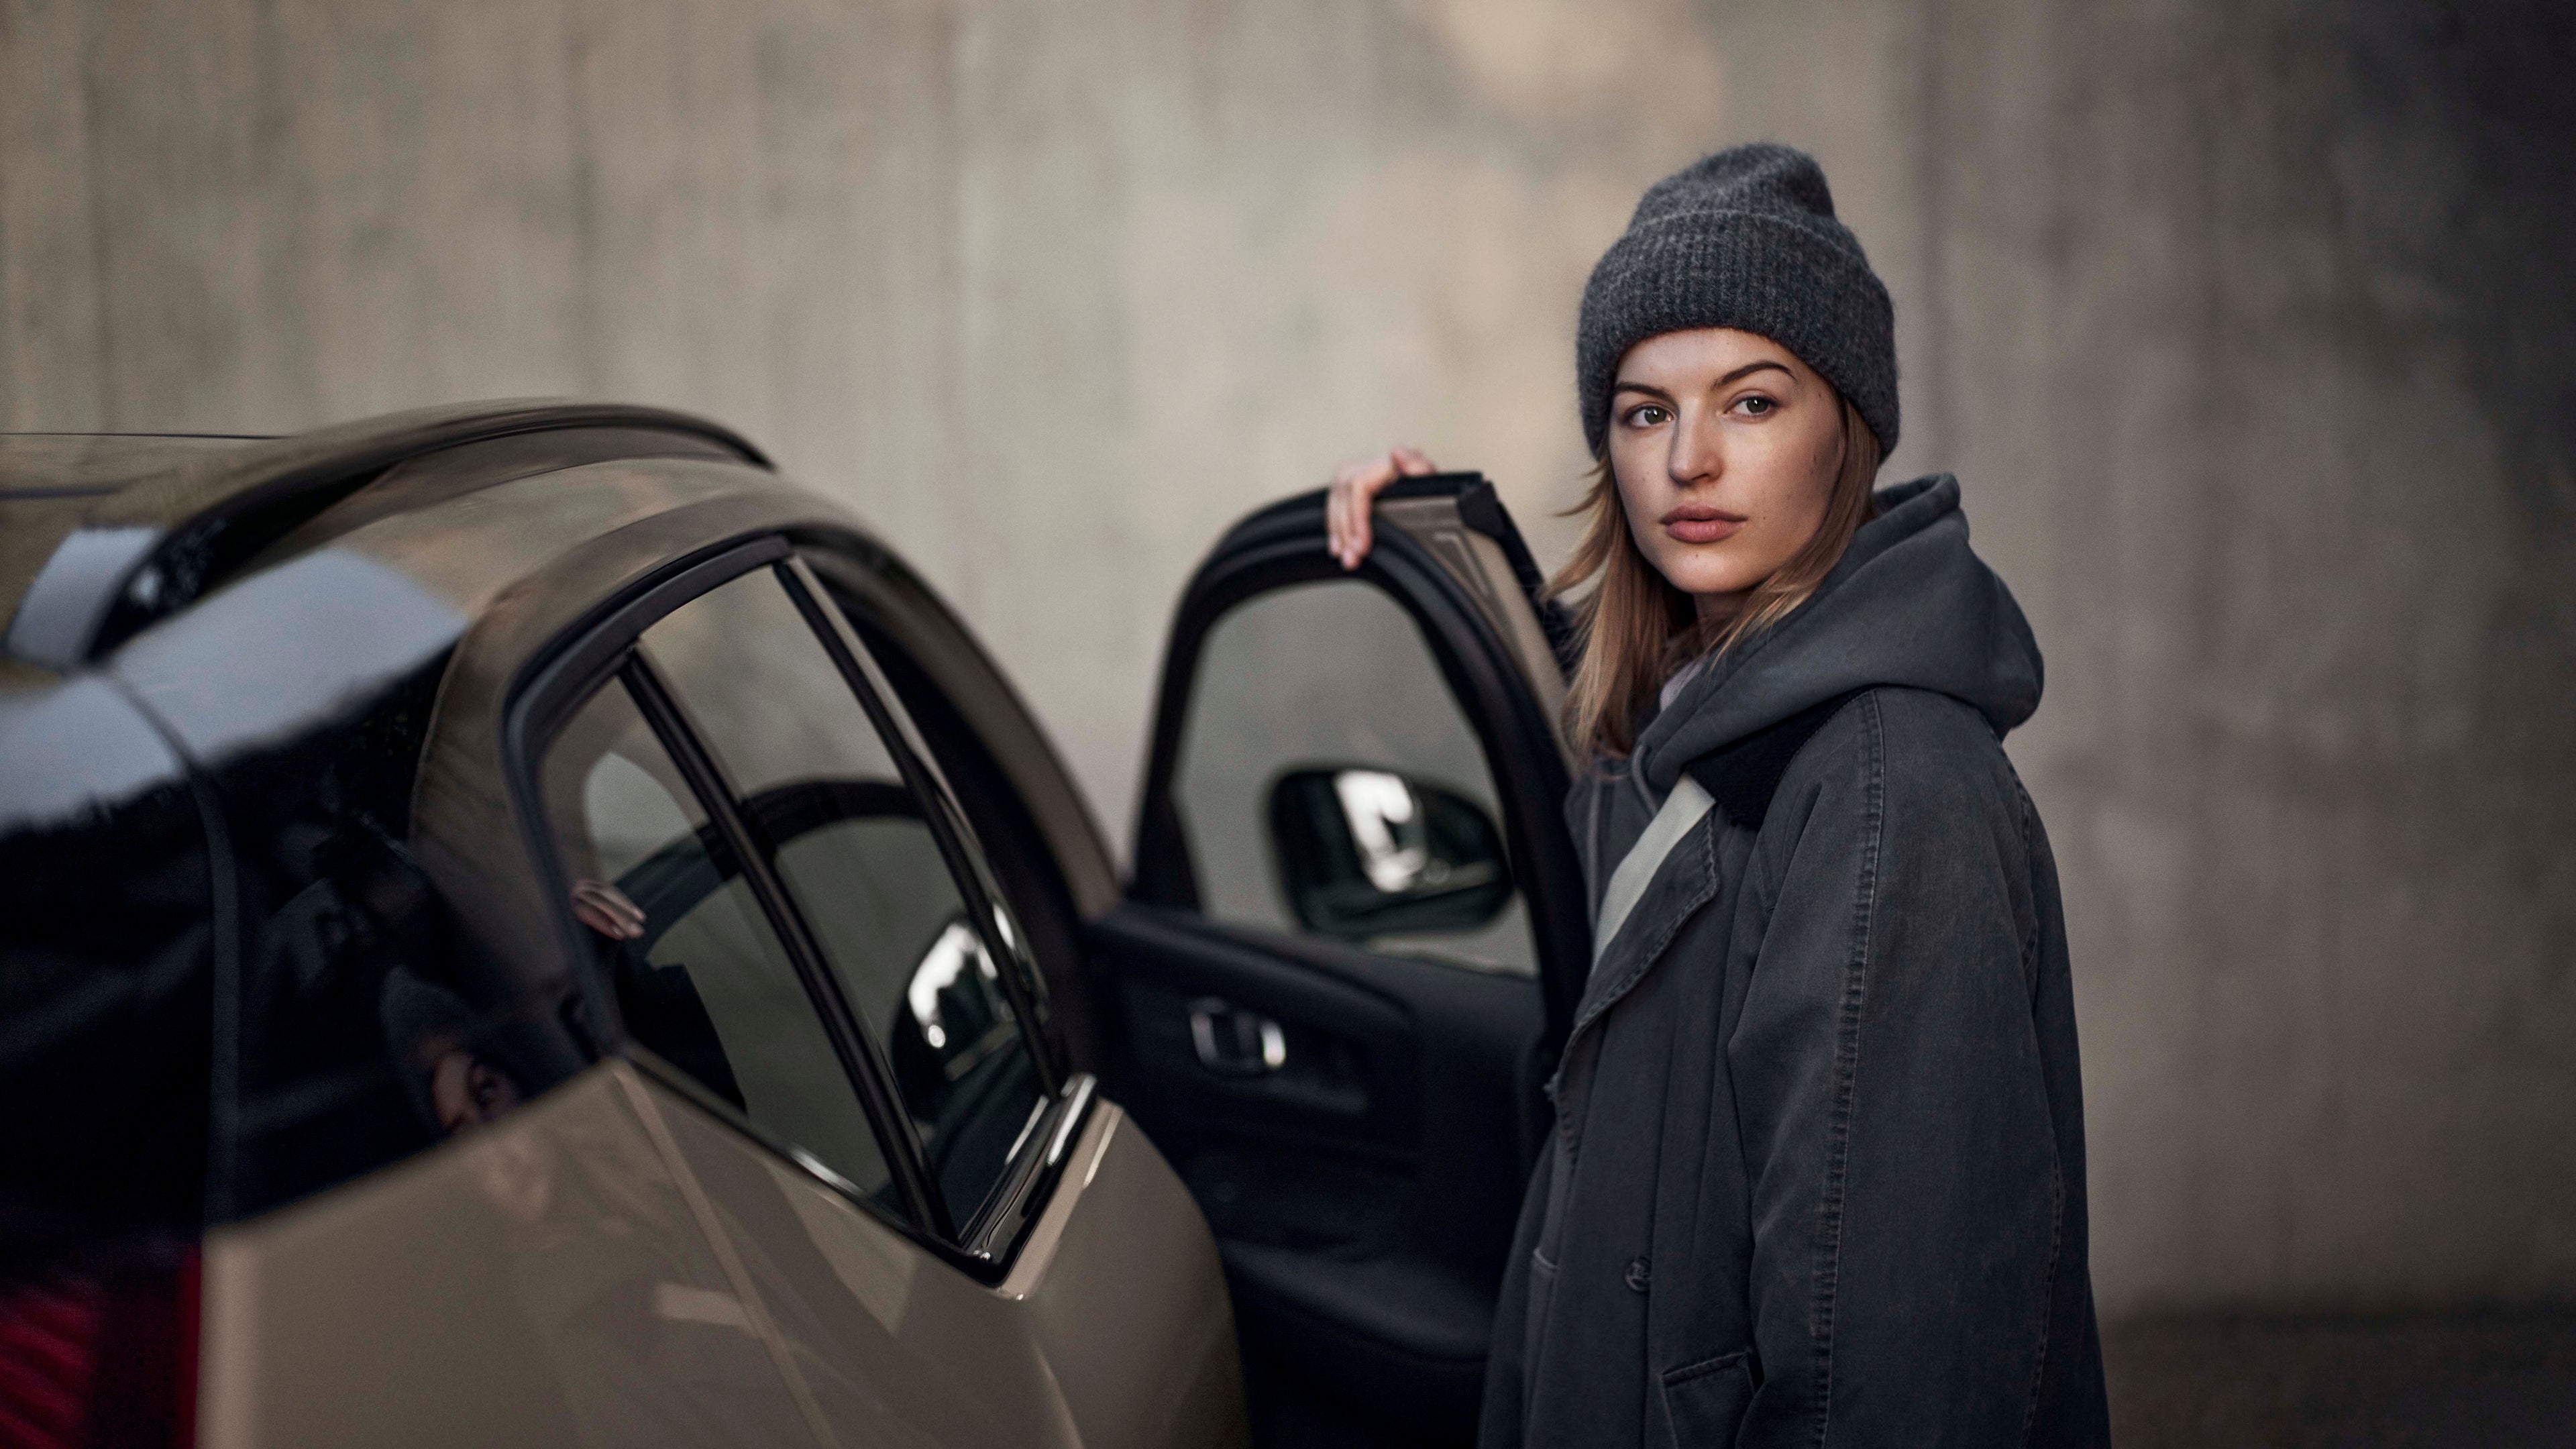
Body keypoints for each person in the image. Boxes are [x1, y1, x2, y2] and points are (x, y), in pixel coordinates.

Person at [1327, 144, 2110, 1446]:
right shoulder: (1694, 699)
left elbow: (1901, 1382)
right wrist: (1433, 542)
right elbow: (1615, 730)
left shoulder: (1890, 788)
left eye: (1752, 403)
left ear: (1845, 431)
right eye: (1645, 412)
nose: (1690, 459)